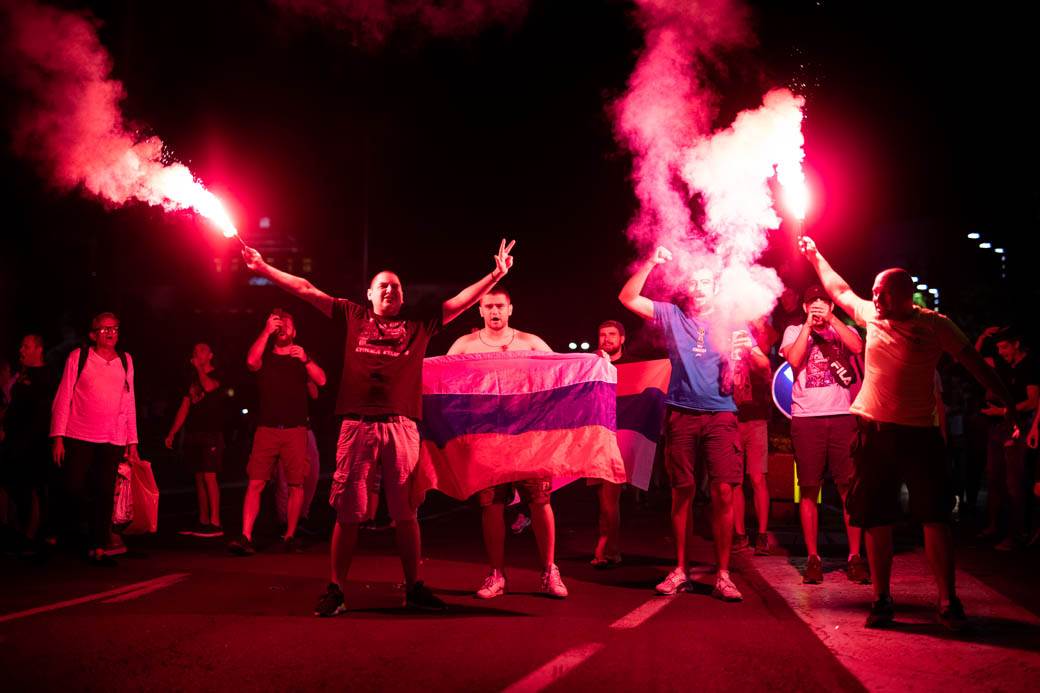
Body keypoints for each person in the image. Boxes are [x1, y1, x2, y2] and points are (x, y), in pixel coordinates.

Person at [240, 238, 517, 616]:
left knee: (406, 512)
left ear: (402, 297)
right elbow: (306, 289)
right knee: (349, 512)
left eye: (396, 287)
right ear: (369, 294)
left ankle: (414, 587)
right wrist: (263, 268)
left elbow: (460, 302)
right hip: (356, 427)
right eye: (383, 285)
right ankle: (336, 589)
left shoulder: (419, 325)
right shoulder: (352, 316)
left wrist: (494, 275)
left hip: (402, 427)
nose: (390, 289)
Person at [798, 236, 1015, 630]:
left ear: (906, 295)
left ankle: (947, 600)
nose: (875, 299)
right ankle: (882, 598)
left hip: (920, 436)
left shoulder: (936, 326)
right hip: (875, 435)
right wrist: (815, 256)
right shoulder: (872, 316)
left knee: (935, 518)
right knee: (877, 519)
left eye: (884, 294)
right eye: (875, 292)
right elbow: (839, 289)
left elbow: (973, 365)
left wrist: (1010, 401)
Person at [619, 246, 770, 602]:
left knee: (722, 493)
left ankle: (723, 573)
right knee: (681, 492)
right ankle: (680, 570)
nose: (700, 287)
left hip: (721, 415)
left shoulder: (733, 323)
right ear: (689, 289)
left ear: (716, 289)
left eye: (706, 282)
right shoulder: (673, 315)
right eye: (695, 282)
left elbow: (764, 369)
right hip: (681, 413)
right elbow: (627, 298)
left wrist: (751, 351)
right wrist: (652, 262)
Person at [446, 288, 568, 599]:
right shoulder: (465, 345)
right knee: (492, 506)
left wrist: (596, 362)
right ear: (480, 311)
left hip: (529, 437)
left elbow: (565, 372)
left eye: (500, 305)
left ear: (510, 309)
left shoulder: (531, 342)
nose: (495, 310)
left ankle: (549, 571)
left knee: (541, 502)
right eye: (488, 306)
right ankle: (496, 574)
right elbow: (442, 382)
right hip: (487, 438)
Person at [779, 285, 867, 584]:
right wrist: (808, 326)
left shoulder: (841, 329)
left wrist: (832, 321)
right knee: (808, 489)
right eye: (812, 303)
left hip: (843, 416)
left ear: (831, 305)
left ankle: (855, 556)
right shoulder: (793, 330)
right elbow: (793, 360)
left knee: (848, 489)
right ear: (805, 307)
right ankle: (813, 557)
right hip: (806, 419)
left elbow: (857, 347)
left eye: (823, 302)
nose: (818, 307)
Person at [228, 310, 326, 555]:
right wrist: (265, 330)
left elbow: (322, 381)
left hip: (296, 429)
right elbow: (251, 362)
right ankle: (246, 536)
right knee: (256, 482)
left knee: (296, 484)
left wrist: (306, 359)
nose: (282, 327)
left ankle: (290, 536)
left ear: (295, 331)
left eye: (287, 324)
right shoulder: (266, 357)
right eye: (277, 324)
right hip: (267, 429)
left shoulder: (300, 357)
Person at [50, 312, 139, 565]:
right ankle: (74, 533)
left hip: (112, 437)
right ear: (93, 334)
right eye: (105, 329)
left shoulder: (125, 360)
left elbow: (129, 402)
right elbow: (63, 396)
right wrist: (57, 436)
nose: (111, 333)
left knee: (104, 492)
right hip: (79, 433)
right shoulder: (79, 357)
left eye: (115, 328)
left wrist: (132, 442)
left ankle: (98, 544)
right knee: (73, 486)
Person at [975, 328, 1038, 550]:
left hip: (1021, 428)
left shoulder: (1030, 366)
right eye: (999, 348)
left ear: (1017, 344)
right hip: (1001, 427)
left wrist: (1003, 411)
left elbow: (1032, 402)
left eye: (1004, 347)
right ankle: (995, 526)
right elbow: (975, 363)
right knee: (994, 478)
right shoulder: (1006, 365)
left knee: (1014, 482)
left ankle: (1017, 533)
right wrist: (982, 338)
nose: (1001, 352)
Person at [0, 334, 57, 553]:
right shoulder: (23, 374)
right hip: (14, 441)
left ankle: (32, 536)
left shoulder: (46, 376)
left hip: (33, 442)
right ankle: (18, 530)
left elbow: (41, 412)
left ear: (39, 349)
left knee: (33, 488)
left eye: (26, 346)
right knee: (14, 484)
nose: (21, 350)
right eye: (21, 345)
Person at [164, 343, 228, 538]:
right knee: (199, 477)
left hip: (212, 434)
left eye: (201, 350)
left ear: (210, 355)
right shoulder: (191, 378)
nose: (196, 352)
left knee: (210, 476)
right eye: (195, 350)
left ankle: (216, 522)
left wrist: (199, 368)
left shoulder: (219, 374)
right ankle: (203, 520)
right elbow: (185, 406)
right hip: (194, 433)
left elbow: (208, 387)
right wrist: (172, 432)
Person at [733, 317, 775, 557]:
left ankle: (762, 534)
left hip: (757, 418)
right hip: (733, 418)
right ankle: (739, 534)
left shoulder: (759, 338)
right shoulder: (726, 336)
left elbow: (765, 366)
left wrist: (750, 345)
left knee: (758, 477)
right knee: (735, 480)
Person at [590, 319, 627, 567]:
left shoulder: (636, 365)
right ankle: (608, 545)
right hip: (597, 436)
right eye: (602, 334)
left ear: (622, 338)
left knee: (609, 496)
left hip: (623, 437)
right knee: (602, 495)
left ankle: (608, 548)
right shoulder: (592, 364)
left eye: (612, 334)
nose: (607, 339)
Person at [274, 381, 322, 535]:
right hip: (282, 428)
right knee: (284, 480)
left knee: (312, 474)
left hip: (304, 427)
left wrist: (306, 373)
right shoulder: (276, 364)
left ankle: (302, 517)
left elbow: (314, 393)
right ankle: (284, 522)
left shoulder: (303, 363)